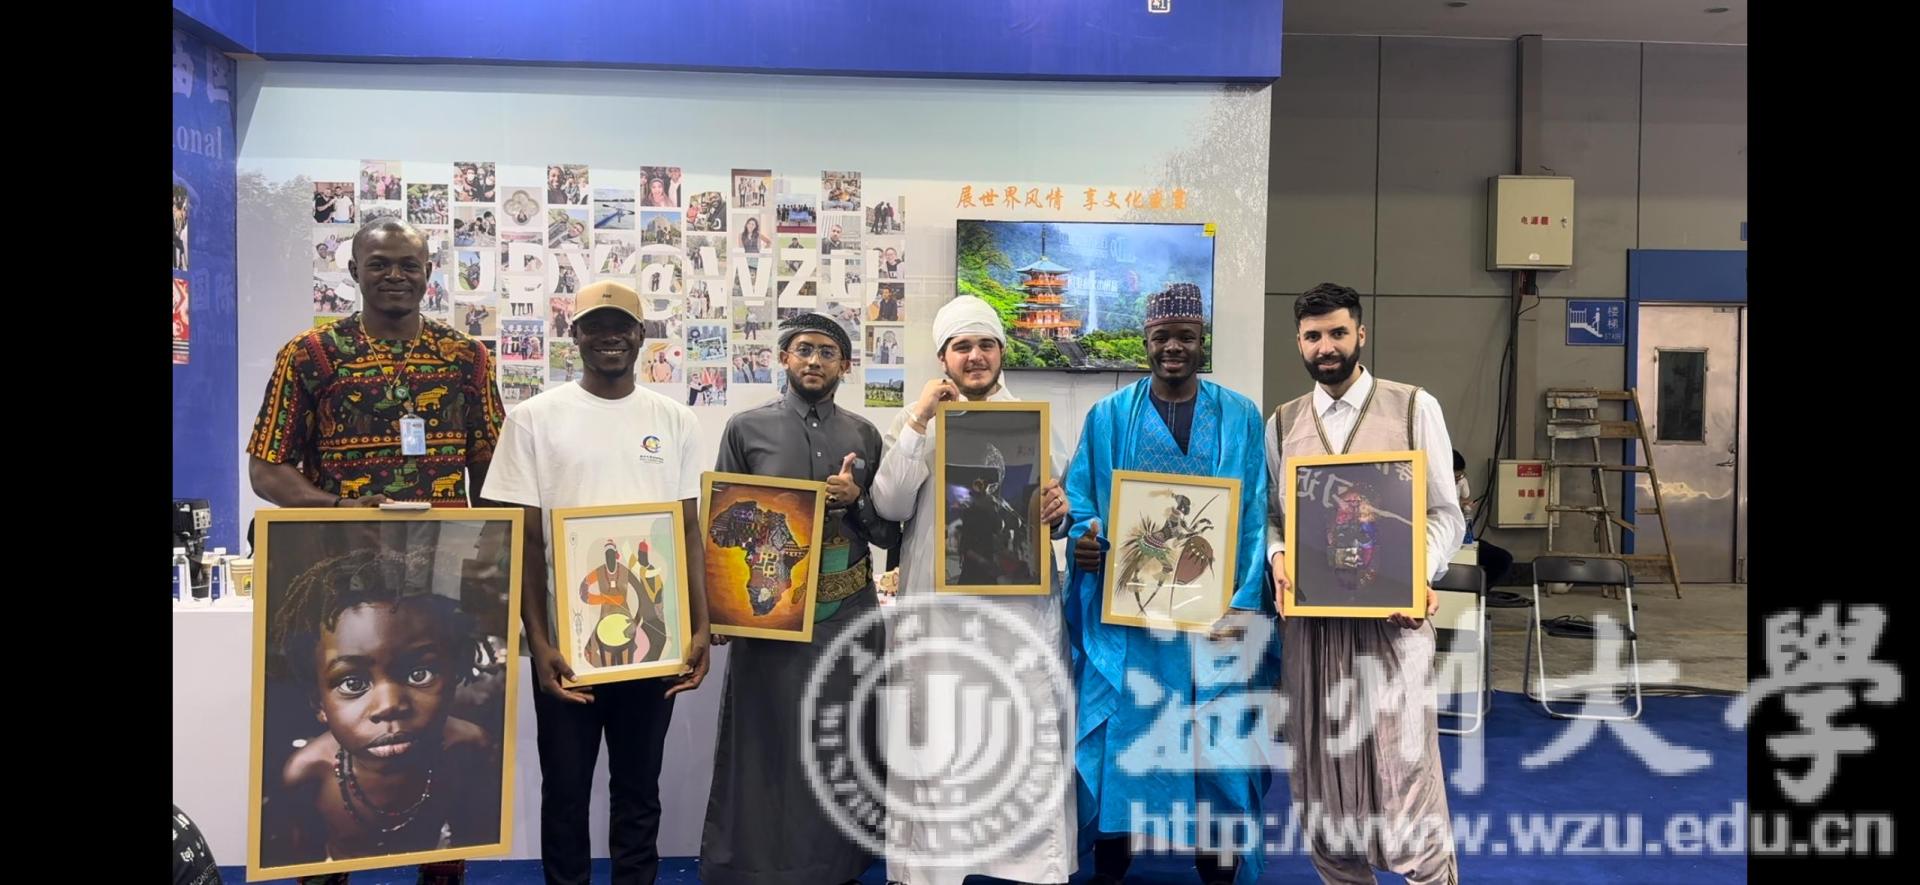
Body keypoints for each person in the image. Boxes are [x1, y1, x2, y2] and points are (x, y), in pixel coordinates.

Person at [481, 281, 712, 885]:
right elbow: (525, 542)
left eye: (621, 325)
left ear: (641, 335)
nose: (609, 336)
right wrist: (539, 644)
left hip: (652, 645)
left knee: (639, 792)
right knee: (565, 794)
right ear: (574, 334)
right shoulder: (533, 420)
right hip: (568, 651)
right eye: (595, 325)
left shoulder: (674, 419)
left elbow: (687, 530)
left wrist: (701, 625)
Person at [1064, 283, 1274, 885]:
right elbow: (1083, 502)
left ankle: (1217, 867)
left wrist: (1242, 603)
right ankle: (1112, 862)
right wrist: (1084, 540)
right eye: (1162, 337)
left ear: (1202, 341)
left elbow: (1252, 514)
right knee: (1123, 742)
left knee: (1215, 747)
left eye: (1186, 336)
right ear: (1146, 341)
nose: (1173, 347)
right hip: (1131, 624)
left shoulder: (1239, 415)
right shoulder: (1108, 417)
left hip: (1214, 619)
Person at [869, 296, 1077, 885]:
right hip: (938, 610)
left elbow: (1058, 513)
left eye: (986, 344)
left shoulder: (1031, 421)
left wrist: (1059, 510)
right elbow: (890, 503)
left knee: (1020, 727)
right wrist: (919, 421)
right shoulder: (916, 423)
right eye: (962, 346)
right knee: (936, 731)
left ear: (1002, 353)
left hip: (1017, 611)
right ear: (943, 358)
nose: (975, 356)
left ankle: (1030, 866)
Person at [1264, 282, 1464, 884]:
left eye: (1337, 332)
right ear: (1298, 341)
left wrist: (1415, 574)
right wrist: (1277, 556)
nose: (1326, 346)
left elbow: (1445, 513)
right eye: (1313, 336)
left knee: (1405, 773)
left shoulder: (1412, 407)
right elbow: (1272, 516)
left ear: (1361, 334)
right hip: (1313, 629)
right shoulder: (1283, 423)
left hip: (1392, 623)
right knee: (1322, 780)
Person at [699, 313, 902, 885]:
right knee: (767, 739)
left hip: (848, 611)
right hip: (771, 613)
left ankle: (838, 866)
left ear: (846, 366)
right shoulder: (746, 429)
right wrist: (720, 608)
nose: (814, 361)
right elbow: (721, 522)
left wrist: (856, 499)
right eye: (804, 350)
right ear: (784, 358)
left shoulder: (865, 436)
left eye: (827, 353)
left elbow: (888, 532)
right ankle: (756, 867)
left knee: (841, 737)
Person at [260, 549, 503, 870]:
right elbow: (302, 864)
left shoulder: (469, 749)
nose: (389, 706)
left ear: (455, 675)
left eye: (420, 674)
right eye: (352, 683)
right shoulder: (307, 773)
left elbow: (473, 848)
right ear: (319, 704)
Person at [248, 218, 502, 512]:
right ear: (354, 271)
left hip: (444, 538)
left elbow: (494, 471)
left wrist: (490, 539)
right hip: (342, 539)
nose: (395, 276)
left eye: (409, 266)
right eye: (379, 265)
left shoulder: (467, 356)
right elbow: (266, 470)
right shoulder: (311, 353)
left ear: (427, 272)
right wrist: (342, 507)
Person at [1454, 449, 1514, 588]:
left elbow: (1463, 499)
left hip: (1460, 537)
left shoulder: (1460, 484)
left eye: (1460, 477)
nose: (1458, 480)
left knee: (1503, 559)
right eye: (1455, 477)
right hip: (1440, 542)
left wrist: (1463, 506)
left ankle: (1479, 592)